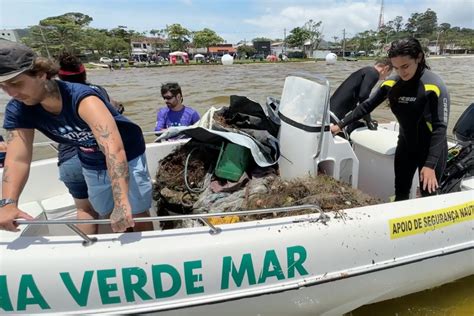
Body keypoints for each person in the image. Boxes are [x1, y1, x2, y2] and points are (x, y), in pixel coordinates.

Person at [0, 40, 152, 233]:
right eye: (4, 87)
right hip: (89, 158)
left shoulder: (82, 99)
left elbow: (114, 149)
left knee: (136, 212)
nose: (12, 93)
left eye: (16, 83)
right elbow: (17, 158)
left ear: (41, 74)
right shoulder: (19, 109)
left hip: (127, 153)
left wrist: (122, 202)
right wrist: (8, 203)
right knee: (106, 211)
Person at [331, 38, 450, 201]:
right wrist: (339, 125)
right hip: (406, 145)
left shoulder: (434, 85)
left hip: (431, 149)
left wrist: (430, 165)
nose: (401, 72)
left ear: (419, 58)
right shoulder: (392, 83)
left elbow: (440, 127)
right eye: (396, 68)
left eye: (405, 66)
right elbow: (366, 106)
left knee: (428, 196)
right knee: (401, 191)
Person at [56, 51, 125, 234]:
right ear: (84, 73)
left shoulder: (54, 99)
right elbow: (114, 109)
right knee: (113, 210)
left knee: (84, 210)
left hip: (67, 161)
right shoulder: (95, 91)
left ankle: (87, 250)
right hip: (94, 159)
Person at [330, 58, 393, 134]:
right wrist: (368, 120)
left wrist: (363, 116)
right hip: (335, 117)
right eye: (388, 74)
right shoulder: (374, 73)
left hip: (331, 112)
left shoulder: (365, 70)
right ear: (386, 68)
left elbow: (353, 96)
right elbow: (363, 96)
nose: (385, 78)